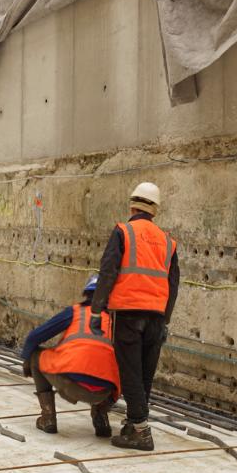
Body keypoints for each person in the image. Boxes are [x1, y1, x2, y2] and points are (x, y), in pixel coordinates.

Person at [89, 181, 178, 452]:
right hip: (156, 317)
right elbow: (173, 285)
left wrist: (96, 309)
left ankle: (140, 430)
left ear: (132, 205)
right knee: (144, 376)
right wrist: (165, 320)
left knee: (129, 374)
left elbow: (108, 272)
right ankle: (132, 424)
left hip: (128, 314)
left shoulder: (123, 232)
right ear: (156, 209)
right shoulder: (167, 241)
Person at [21, 274, 120, 439]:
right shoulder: (115, 320)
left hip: (72, 384)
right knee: (120, 367)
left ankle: (48, 418)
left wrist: (26, 359)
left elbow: (34, 337)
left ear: (86, 294)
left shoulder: (75, 312)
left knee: (36, 355)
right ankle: (101, 417)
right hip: (105, 391)